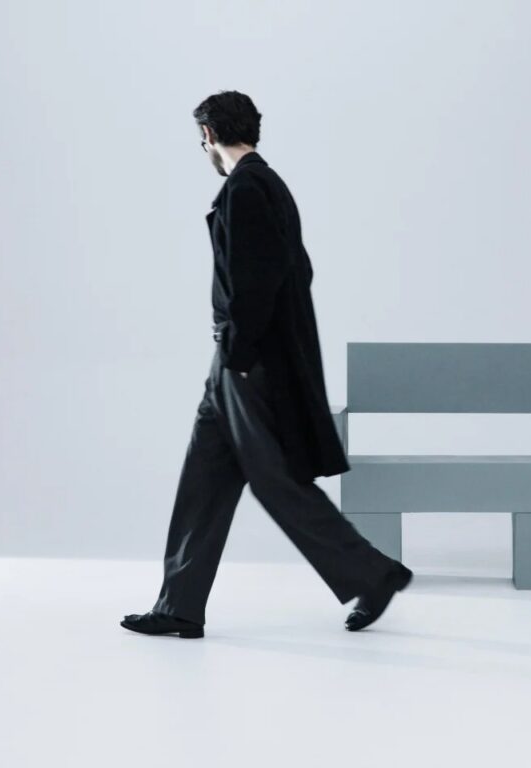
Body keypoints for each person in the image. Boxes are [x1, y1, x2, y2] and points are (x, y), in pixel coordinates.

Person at [121, 90, 411, 639]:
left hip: (244, 361)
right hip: (234, 358)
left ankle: (373, 573)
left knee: (276, 480)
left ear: (208, 134)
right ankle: (179, 604)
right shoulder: (266, 184)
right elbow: (297, 271)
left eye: (199, 137)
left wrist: (240, 354)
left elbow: (261, 281)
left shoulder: (248, 187)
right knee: (205, 474)